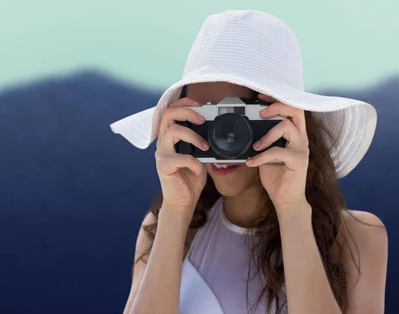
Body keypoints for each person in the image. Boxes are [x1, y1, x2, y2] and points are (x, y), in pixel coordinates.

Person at [109, 10, 387, 314]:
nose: (221, 138)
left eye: (233, 121)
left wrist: (292, 210)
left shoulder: (358, 236)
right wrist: (176, 212)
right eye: (203, 118)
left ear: (285, 120)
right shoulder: (162, 225)